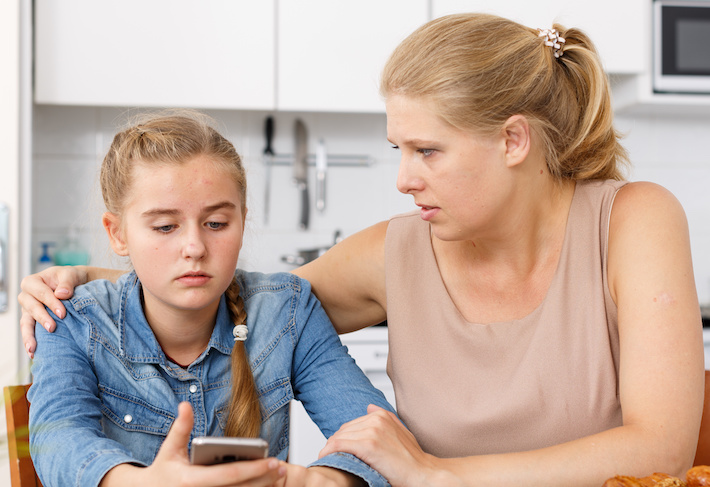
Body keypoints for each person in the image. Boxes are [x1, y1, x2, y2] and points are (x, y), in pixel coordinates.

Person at [19, 12, 705, 487]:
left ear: (514, 140)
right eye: (398, 150)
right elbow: (226, 291)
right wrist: (87, 281)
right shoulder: (396, 252)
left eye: (427, 150)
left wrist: (432, 473)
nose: (404, 178)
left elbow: (661, 446)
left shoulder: (632, 219)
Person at [25, 110, 395, 487]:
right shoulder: (72, 319)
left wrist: (314, 482)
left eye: (216, 223)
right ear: (117, 233)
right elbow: (56, 440)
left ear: (243, 220)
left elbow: (378, 437)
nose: (194, 247)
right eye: (165, 226)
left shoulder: (288, 311)